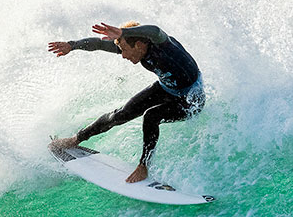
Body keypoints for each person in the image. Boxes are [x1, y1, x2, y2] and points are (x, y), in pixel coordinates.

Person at [48, 22, 204, 183]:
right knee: (120, 114)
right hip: (167, 88)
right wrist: (72, 45)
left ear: (138, 45)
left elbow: (156, 31)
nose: (123, 55)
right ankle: (76, 139)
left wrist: (123, 31)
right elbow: (99, 43)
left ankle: (143, 166)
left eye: (124, 50)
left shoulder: (164, 47)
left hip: (191, 100)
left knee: (151, 116)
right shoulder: (133, 44)